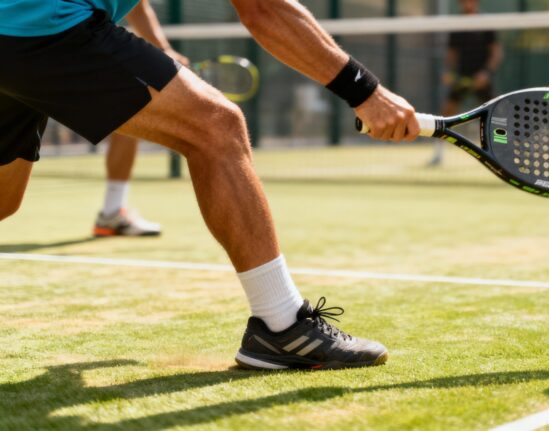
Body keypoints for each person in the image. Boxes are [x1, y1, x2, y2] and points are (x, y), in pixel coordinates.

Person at [0, 0, 419, 370]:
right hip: (41, 27)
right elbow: (263, 9)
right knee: (217, 128)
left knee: (3, 200)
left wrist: (156, 46)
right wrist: (367, 92)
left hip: (20, 25)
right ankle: (282, 324)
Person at [94, 1, 189, 238]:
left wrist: (164, 49)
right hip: (57, 40)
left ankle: (112, 212)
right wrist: (165, 50)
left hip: (29, 40)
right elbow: (139, 7)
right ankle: (112, 213)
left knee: (130, 111)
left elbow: (137, 5)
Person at [428, 0, 502, 166]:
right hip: (462, 77)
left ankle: (503, 152)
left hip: (482, 78)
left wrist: (486, 73)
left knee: (496, 116)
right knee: (446, 113)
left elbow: (496, 52)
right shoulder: (458, 24)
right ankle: (438, 153)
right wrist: (448, 72)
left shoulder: (486, 23)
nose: (467, 3)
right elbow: (452, 53)